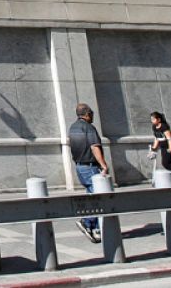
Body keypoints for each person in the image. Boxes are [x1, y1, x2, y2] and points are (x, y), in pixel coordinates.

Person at [68, 102, 108, 243]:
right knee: (98, 196)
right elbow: (94, 147)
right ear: (87, 114)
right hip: (90, 166)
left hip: (79, 166)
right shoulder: (89, 127)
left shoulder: (72, 128)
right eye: (92, 114)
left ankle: (95, 228)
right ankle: (87, 221)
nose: (92, 116)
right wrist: (104, 165)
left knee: (92, 195)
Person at [148, 111, 171, 184]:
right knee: (165, 163)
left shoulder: (164, 126)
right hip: (163, 147)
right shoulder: (154, 127)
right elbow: (156, 138)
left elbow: (169, 138)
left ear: (159, 119)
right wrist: (153, 148)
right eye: (151, 119)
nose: (152, 121)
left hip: (169, 147)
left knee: (166, 163)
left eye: (153, 119)